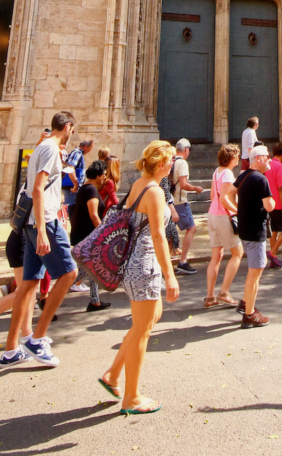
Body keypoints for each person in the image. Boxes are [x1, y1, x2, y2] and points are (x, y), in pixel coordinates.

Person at [99, 140, 179, 414]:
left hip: (136, 262)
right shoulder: (154, 191)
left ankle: (113, 374)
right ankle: (131, 398)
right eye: (171, 159)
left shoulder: (140, 184)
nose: (173, 163)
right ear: (162, 163)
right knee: (143, 330)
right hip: (144, 265)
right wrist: (170, 275)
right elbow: (158, 235)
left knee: (151, 317)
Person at [0, 112, 79, 370]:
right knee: (69, 273)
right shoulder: (50, 149)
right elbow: (37, 188)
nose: (71, 135)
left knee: (29, 285)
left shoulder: (42, 148)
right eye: (72, 130)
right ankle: (37, 337)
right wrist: (43, 230)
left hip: (33, 223)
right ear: (67, 127)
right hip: (43, 222)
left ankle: (10, 350)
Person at [231, 145, 276, 327]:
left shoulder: (243, 176)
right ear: (258, 159)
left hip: (244, 229)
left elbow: (229, 193)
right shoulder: (261, 179)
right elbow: (269, 206)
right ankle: (249, 315)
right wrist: (273, 200)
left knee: (254, 270)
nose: (269, 159)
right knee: (255, 272)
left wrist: (239, 209)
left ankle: (245, 303)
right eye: (267, 156)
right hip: (256, 231)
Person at [70, 160, 111, 313]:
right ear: (98, 175)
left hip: (83, 234)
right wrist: (104, 233)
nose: (105, 177)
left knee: (92, 267)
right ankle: (53, 295)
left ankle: (95, 301)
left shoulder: (85, 188)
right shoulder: (91, 190)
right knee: (84, 269)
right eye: (104, 174)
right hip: (88, 235)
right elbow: (94, 215)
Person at [204, 144, 243, 307]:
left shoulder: (217, 171)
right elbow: (224, 199)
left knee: (216, 256)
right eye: (237, 156)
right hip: (222, 216)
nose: (238, 159)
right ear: (232, 158)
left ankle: (210, 296)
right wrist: (239, 211)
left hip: (212, 215)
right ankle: (224, 291)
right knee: (237, 253)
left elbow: (213, 195)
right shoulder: (227, 173)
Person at [170, 139, 203, 274]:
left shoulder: (171, 161)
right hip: (179, 201)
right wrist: (195, 188)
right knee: (191, 228)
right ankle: (183, 261)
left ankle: (167, 262)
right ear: (186, 149)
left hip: (170, 201)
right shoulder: (182, 163)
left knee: (170, 232)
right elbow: (183, 184)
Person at [265, 142, 282, 268]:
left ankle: (273, 258)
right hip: (279, 203)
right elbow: (281, 188)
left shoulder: (268, 164)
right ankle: (273, 252)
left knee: (274, 230)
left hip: (269, 202)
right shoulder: (279, 166)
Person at [61, 138, 93, 215]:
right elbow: (70, 168)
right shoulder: (77, 153)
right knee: (70, 209)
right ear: (86, 146)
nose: (90, 151)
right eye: (90, 148)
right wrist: (76, 184)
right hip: (71, 187)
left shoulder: (77, 153)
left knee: (71, 209)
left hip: (71, 186)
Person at [97, 147, 120, 212]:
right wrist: (118, 200)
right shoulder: (109, 182)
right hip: (104, 212)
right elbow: (115, 201)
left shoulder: (102, 178)